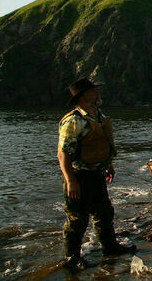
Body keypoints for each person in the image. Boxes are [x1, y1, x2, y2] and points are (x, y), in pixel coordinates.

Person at [57, 78, 136, 270]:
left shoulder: (98, 116)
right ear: (83, 96)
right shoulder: (73, 121)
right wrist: (70, 181)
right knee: (77, 218)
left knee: (104, 212)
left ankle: (110, 247)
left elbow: (102, 144)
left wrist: (109, 165)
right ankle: (72, 258)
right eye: (93, 91)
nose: (97, 93)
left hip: (97, 174)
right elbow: (63, 154)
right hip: (79, 176)